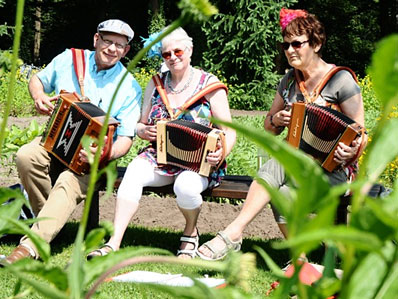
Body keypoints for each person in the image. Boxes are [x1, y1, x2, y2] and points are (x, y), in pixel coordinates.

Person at [197, 8, 367, 261]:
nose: (289, 50)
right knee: (282, 189)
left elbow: (360, 133)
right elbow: (269, 126)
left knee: (280, 164)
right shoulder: (288, 81)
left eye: (297, 44)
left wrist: (352, 150)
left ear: (317, 44)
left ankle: (233, 233)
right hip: (294, 169)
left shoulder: (340, 80)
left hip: (334, 172)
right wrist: (276, 119)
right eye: (286, 45)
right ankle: (299, 260)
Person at [87, 27, 236, 259]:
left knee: (186, 186)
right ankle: (113, 243)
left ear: (190, 50)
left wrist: (222, 151)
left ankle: (190, 232)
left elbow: (229, 131)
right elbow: (139, 124)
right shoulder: (156, 83)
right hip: (160, 155)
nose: (173, 57)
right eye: (167, 54)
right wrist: (143, 131)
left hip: (198, 161)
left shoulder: (210, 85)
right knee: (134, 172)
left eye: (178, 52)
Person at [1, 19, 142, 264]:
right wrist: (39, 96)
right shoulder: (70, 59)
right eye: (108, 41)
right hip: (54, 143)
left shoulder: (129, 86)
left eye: (120, 45)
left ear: (126, 50)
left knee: (68, 179)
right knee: (26, 155)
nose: (112, 49)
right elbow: (37, 80)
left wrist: (104, 153)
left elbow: (127, 139)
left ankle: (29, 248)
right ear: (96, 40)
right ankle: (50, 222)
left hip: (95, 158)